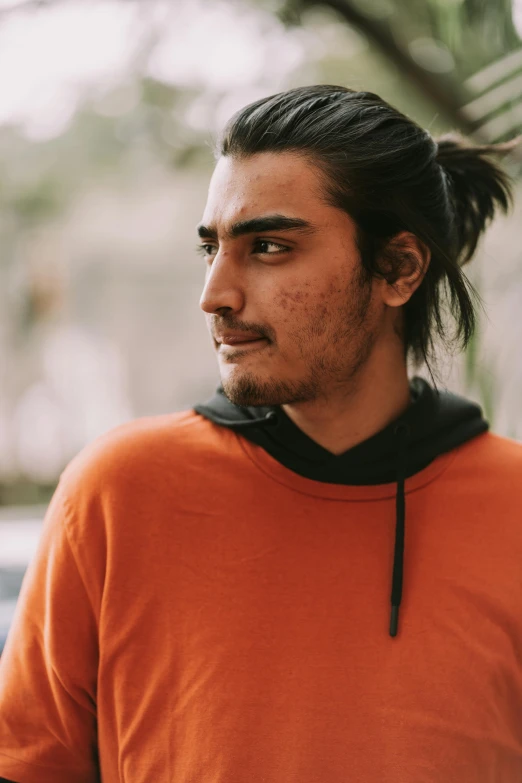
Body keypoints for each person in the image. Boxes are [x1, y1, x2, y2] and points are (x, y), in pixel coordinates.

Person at [0, 84, 521, 783]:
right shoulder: (116, 496)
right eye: (211, 247)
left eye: (268, 246)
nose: (215, 293)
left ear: (398, 267)